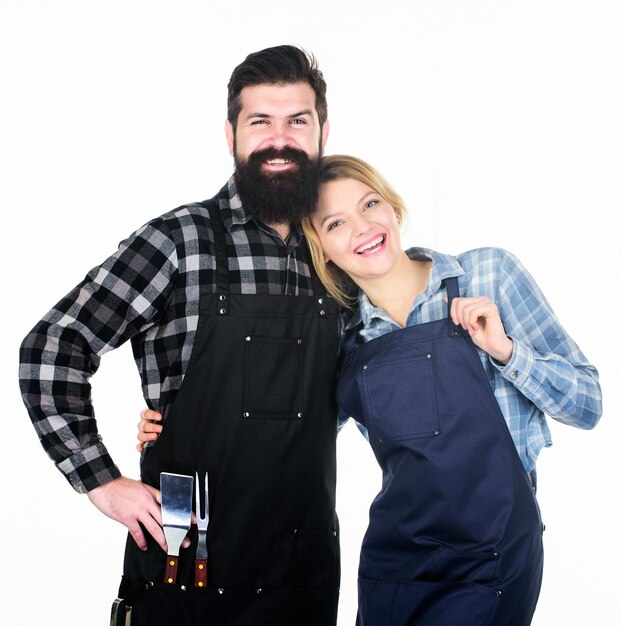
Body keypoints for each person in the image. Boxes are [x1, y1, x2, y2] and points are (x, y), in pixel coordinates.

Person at [138, 153, 603, 625]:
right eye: (336, 222)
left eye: (370, 204)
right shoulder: (343, 338)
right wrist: (188, 424)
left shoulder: (488, 274)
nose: (362, 228)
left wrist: (505, 350)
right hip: (396, 557)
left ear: (393, 208)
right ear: (319, 246)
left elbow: (588, 404)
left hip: (494, 550)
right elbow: (285, 433)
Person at [19, 46, 341, 626]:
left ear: (323, 130)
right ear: (231, 134)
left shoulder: (335, 252)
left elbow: (343, 390)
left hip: (305, 574)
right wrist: (102, 481)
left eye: (298, 120)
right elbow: (52, 349)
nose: (279, 139)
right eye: (259, 122)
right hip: (192, 568)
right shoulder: (181, 239)